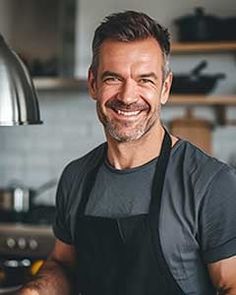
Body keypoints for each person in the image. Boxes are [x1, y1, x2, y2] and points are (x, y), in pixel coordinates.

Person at [19, 10, 236, 295]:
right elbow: (64, 266)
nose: (127, 96)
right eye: (113, 78)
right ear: (93, 83)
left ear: (165, 88)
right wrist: (35, 291)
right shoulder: (76, 176)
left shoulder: (210, 182)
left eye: (145, 80)